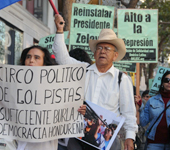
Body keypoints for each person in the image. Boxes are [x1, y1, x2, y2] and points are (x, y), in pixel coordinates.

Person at [53, 14, 137, 150]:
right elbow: (61, 57)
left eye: (107, 49)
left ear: (115, 55)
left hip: (104, 140)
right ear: (94, 53)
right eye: (99, 48)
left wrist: (130, 137)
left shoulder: (122, 79)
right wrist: (59, 30)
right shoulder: (83, 70)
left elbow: (128, 112)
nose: (102, 51)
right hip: (78, 136)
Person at [0, 45, 86, 150]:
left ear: (44, 63)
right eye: (28, 57)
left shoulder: (56, 88)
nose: (31, 60)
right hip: (20, 145)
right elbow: (8, 116)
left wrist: (78, 111)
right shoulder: (12, 87)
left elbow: (64, 116)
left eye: (37, 57)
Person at [138, 71, 170, 150]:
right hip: (154, 143)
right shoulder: (152, 101)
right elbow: (143, 122)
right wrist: (140, 106)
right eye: (167, 80)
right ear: (162, 82)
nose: (169, 82)